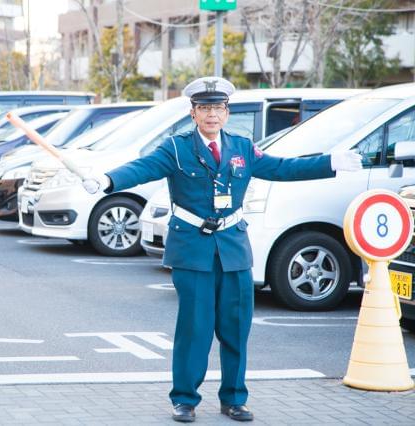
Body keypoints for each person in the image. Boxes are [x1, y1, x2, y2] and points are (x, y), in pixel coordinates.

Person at [81, 76, 362, 423]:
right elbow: (142, 169)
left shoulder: (242, 147)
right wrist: (108, 181)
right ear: (193, 113)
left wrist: (330, 162)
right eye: (204, 108)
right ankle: (184, 399)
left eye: (217, 107)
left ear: (227, 112)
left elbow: (281, 168)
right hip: (192, 250)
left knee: (236, 328)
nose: (211, 114)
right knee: (195, 329)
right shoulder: (177, 148)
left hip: (233, 249)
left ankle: (234, 399)